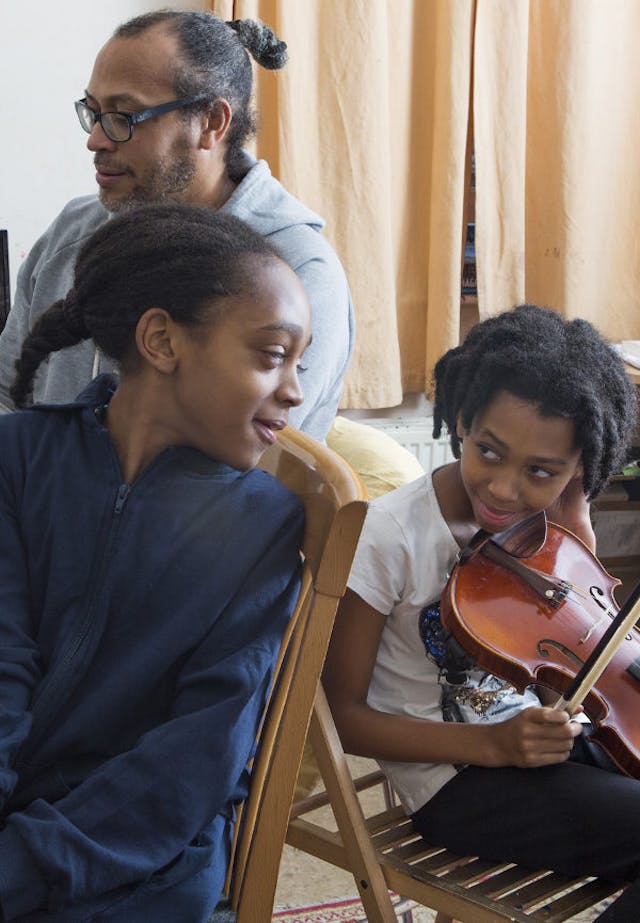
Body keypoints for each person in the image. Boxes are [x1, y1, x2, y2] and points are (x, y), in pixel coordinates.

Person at [0, 203, 311, 921]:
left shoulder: (264, 525)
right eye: (272, 356)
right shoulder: (18, 459)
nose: (296, 389)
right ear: (163, 341)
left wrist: (24, 866)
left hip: (137, 862)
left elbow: (198, 754)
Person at [324, 304, 640, 923]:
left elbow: (569, 665)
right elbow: (345, 720)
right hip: (456, 781)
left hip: (546, 741)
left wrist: (575, 523)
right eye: (489, 452)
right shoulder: (389, 537)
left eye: (541, 471)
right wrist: (491, 743)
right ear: (463, 421)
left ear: (578, 469)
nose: (503, 489)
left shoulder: (549, 530)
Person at [0, 9, 353, 440]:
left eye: (124, 117)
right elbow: (6, 392)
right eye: (93, 112)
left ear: (211, 123)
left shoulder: (297, 271)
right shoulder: (72, 232)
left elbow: (243, 454)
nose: (96, 139)